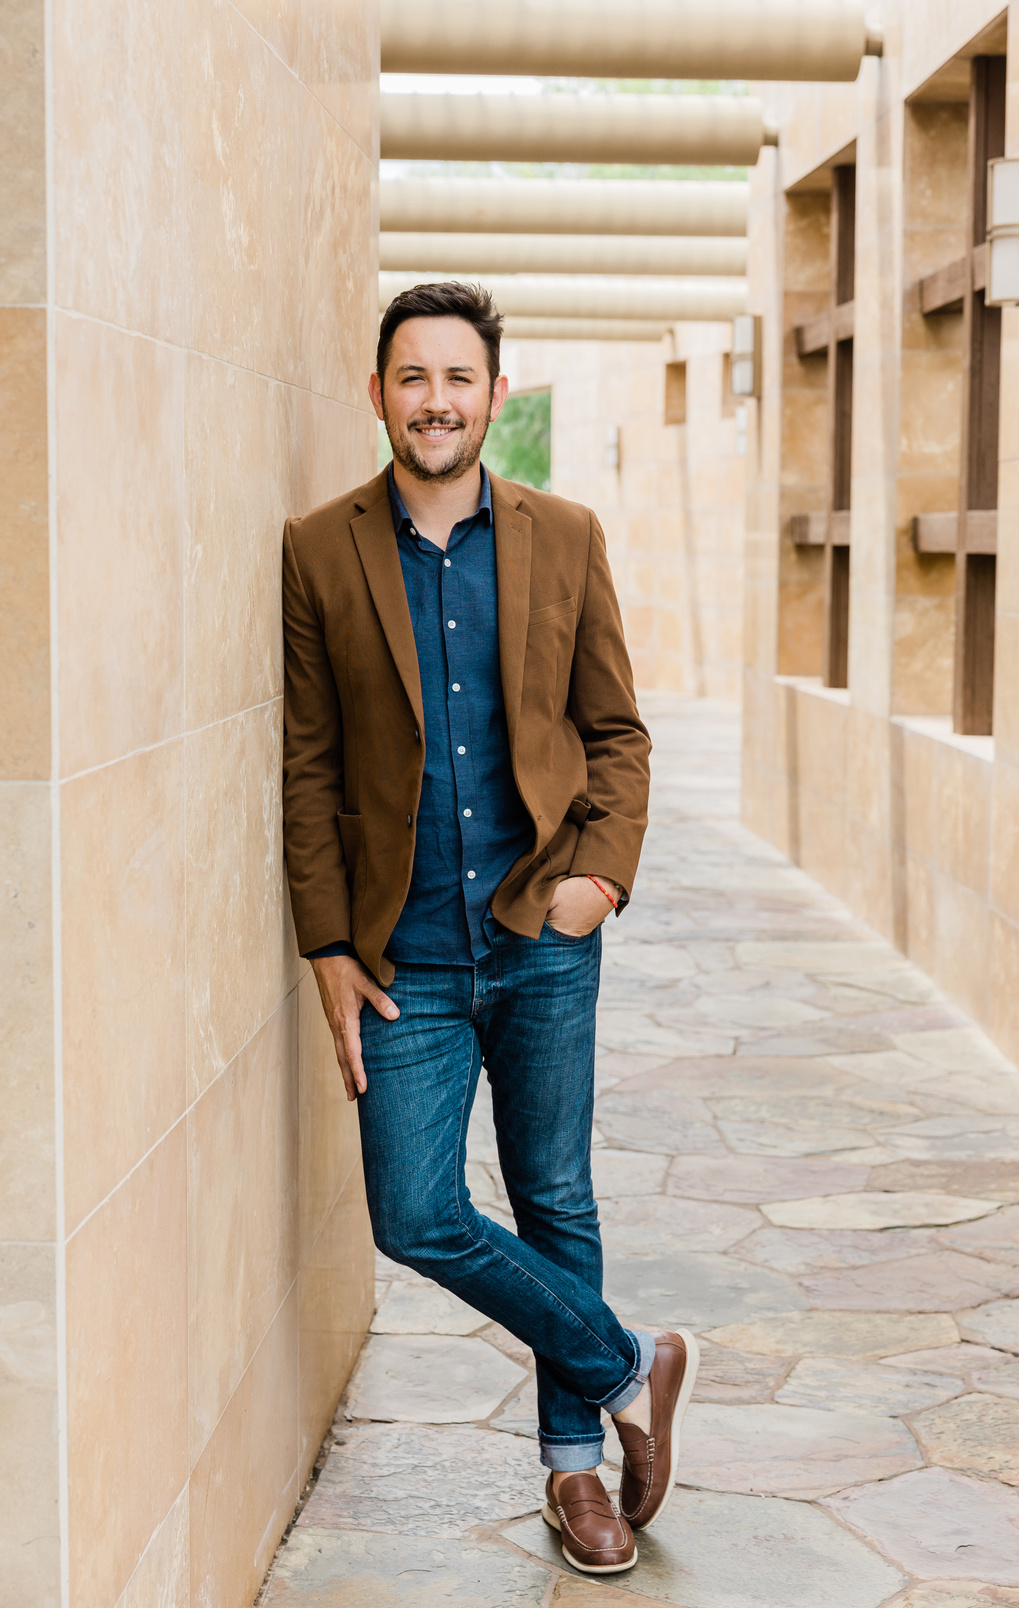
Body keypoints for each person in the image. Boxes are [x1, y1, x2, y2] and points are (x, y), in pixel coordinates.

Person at [282, 280, 698, 1574]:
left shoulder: (564, 537)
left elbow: (616, 734)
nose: (437, 401)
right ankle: (625, 1364)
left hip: (542, 931)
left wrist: (599, 882)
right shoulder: (319, 549)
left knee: (553, 1194)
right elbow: (307, 764)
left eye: (459, 379)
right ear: (379, 395)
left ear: (495, 395)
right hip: (403, 956)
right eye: (413, 378)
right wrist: (327, 944)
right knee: (413, 1212)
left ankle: (576, 1474)